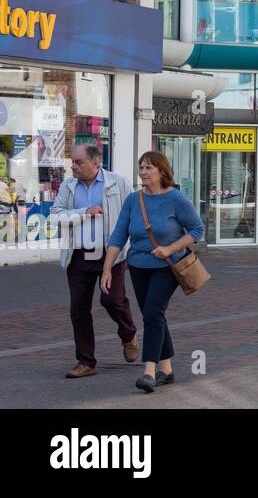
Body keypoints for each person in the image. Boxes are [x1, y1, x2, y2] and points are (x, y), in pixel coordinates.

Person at [102, 151, 205, 393]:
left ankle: (149, 371)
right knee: (154, 315)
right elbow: (119, 235)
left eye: (148, 168)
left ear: (162, 171)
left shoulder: (175, 198)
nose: (143, 172)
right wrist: (107, 268)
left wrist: (170, 247)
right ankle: (167, 370)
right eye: (141, 167)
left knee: (152, 312)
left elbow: (196, 229)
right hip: (138, 266)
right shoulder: (132, 200)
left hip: (168, 267)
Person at [51, 144, 138, 378]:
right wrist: (84, 212)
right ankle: (86, 362)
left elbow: (133, 213)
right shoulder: (68, 186)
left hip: (111, 254)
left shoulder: (118, 183)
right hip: (78, 255)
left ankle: (128, 334)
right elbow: (55, 216)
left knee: (112, 300)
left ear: (96, 163)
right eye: (73, 162)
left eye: (79, 162)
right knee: (79, 309)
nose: (73, 166)